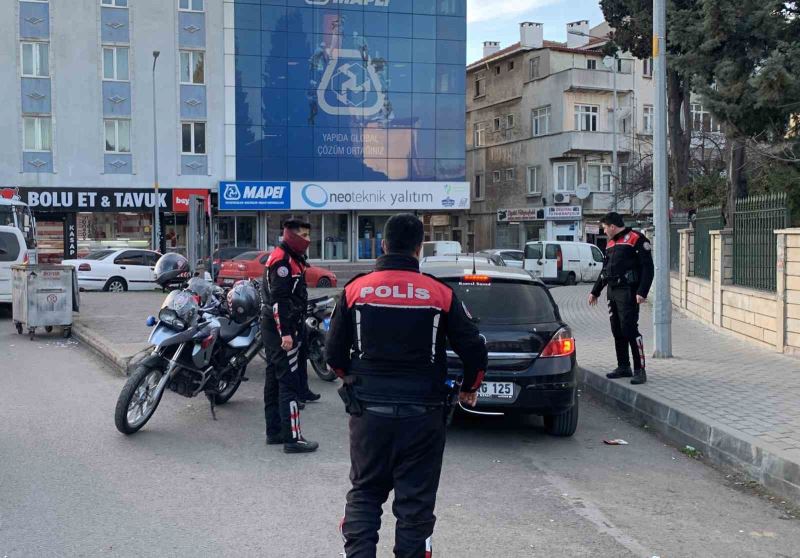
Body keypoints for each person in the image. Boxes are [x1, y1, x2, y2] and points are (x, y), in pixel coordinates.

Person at [326, 213, 488, 557]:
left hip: (369, 412)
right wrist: (469, 387)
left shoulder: (356, 289)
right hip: (424, 415)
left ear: (383, 245)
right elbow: (474, 347)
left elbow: (333, 355)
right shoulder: (440, 293)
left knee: (366, 493)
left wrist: (353, 380)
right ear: (419, 250)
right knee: (415, 506)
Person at [261, 219, 319, 453]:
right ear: (291, 236)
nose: (307, 239)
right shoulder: (283, 261)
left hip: (276, 326)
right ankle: (293, 439)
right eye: (303, 234)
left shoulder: (290, 257)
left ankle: (274, 432)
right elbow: (279, 300)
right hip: (280, 328)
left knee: (274, 377)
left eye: (308, 234)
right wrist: (286, 333)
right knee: (289, 382)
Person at [588, 212, 654, 385]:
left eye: (604, 228)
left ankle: (640, 370)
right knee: (617, 330)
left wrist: (642, 291)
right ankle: (623, 366)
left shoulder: (636, 239)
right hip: (613, 291)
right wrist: (595, 291)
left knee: (629, 329)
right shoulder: (610, 243)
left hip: (628, 291)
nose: (604, 231)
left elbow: (648, 268)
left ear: (612, 226)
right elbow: (605, 271)